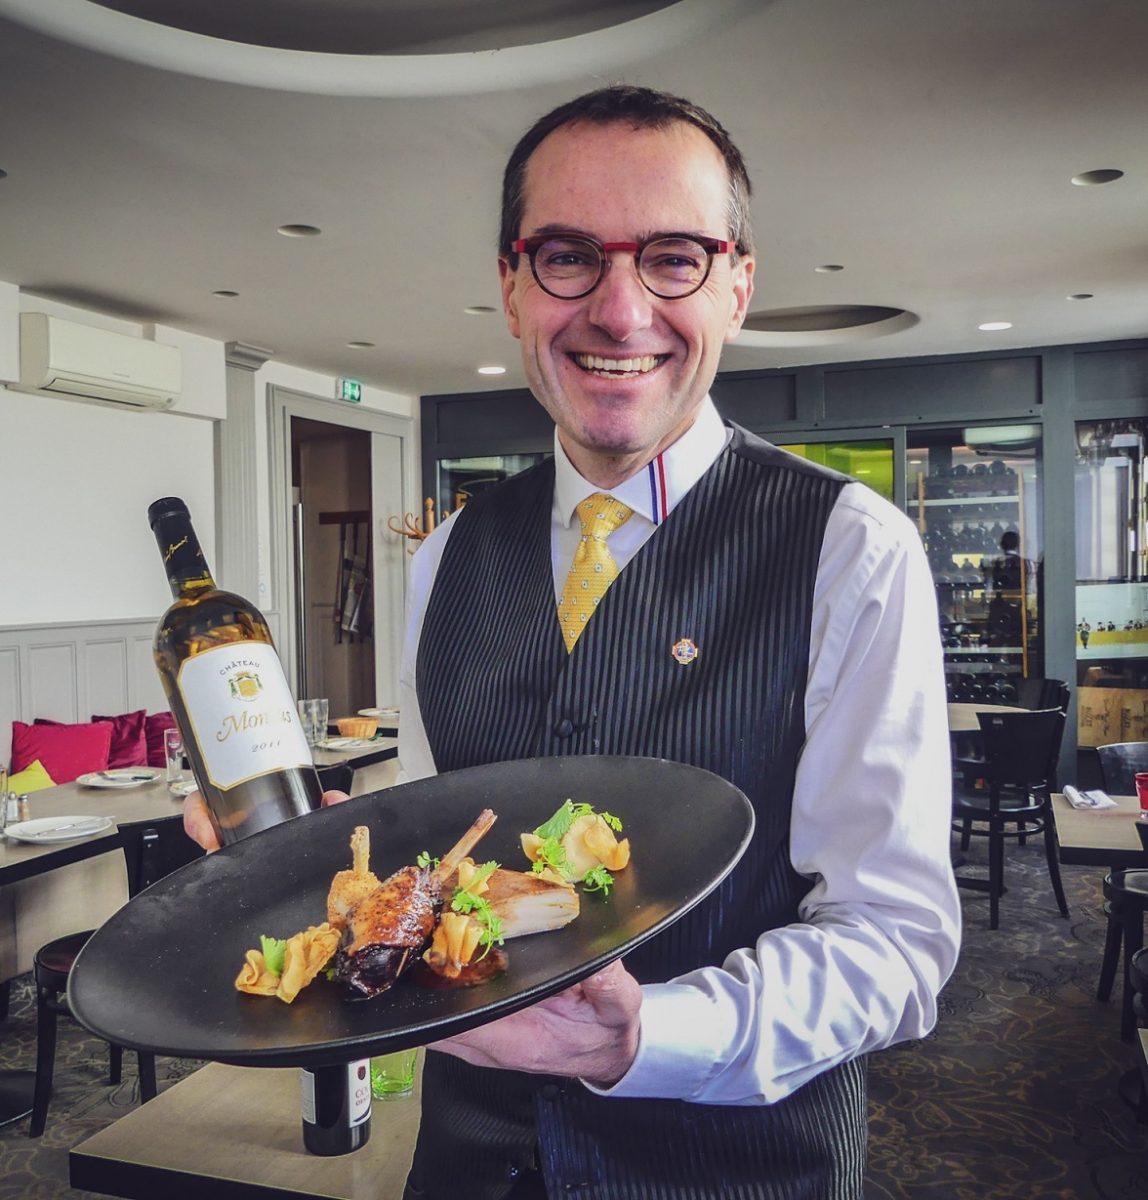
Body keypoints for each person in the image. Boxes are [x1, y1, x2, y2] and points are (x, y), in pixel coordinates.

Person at [187, 85, 960, 1199]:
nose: (619, 308)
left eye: (673, 257)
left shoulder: (851, 549)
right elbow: (432, 863)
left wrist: (643, 1039)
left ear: (737, 284)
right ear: (509, 285)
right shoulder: (443, 558)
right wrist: (310, 866)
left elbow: (892, 945)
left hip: (742, 1172)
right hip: (465, 1166)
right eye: (565, 256)